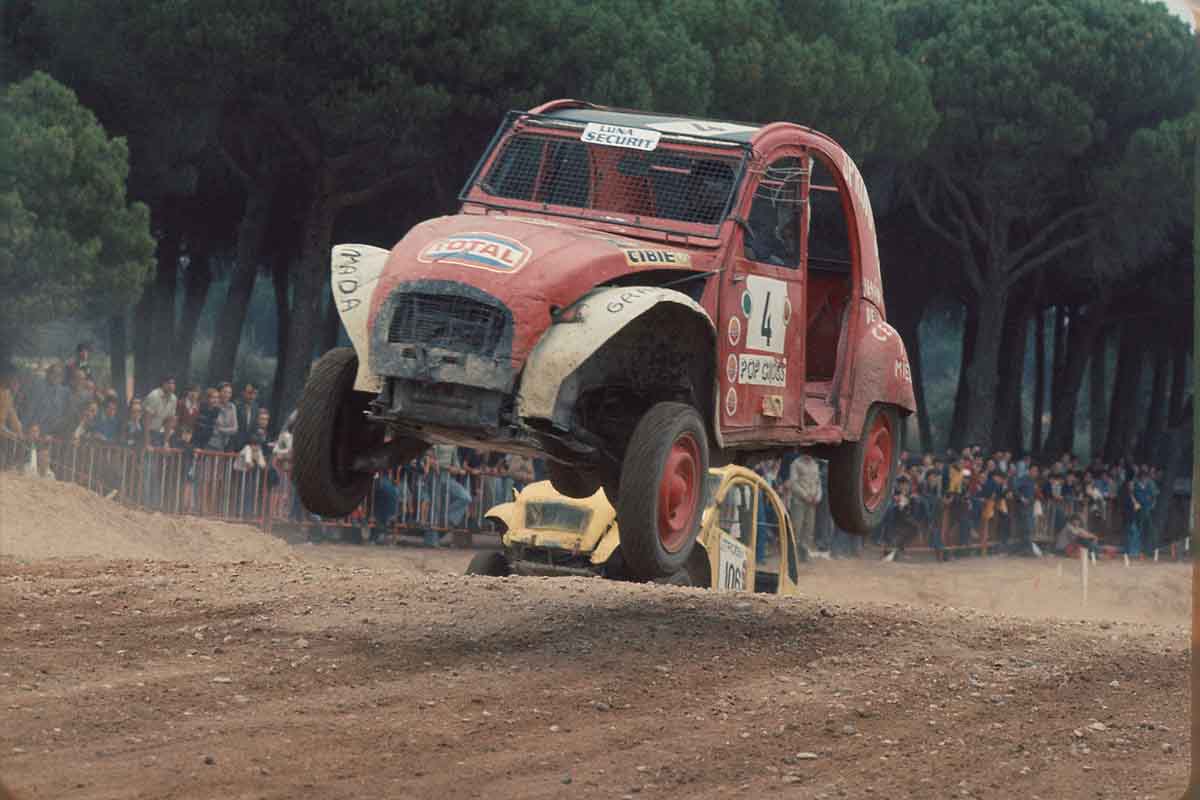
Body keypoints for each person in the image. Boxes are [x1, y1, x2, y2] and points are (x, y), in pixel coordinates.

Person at [785, 452, 822, 561]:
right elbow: (793, 483)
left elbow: (818, 483)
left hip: (812, 502)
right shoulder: (796, 463)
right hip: (799, 502)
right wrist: (805, 496)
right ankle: (792, 556)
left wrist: (818, 496)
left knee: (809, 529)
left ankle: (804, 554)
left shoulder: (815, 464)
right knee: (796, 527)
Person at [214, 382, 238, 451]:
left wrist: (221, 430)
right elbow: (214, 428)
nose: (227, 395)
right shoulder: (214, 405)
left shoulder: (232, 407)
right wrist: (227, 429)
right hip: (211, 443)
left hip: (224, 444)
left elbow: (235, 428)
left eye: (229, 392)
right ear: (219, 392)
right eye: (224, 392)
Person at [0, 367, 23, 436]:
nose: (17, 383)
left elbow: (12, 415)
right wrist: (10, 434)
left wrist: (19, 432)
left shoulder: (7, 393)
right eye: (14, 378)